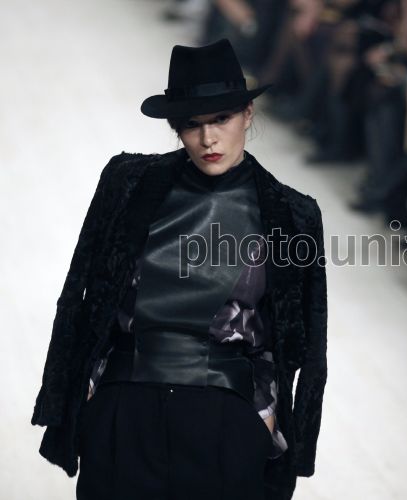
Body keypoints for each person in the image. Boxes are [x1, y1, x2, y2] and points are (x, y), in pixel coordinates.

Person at [30, 39, 328, 500]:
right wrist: (82, 396)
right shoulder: (128, 184)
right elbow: (80, 294)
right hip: (124, 406)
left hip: (226, 417)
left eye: (221, 119)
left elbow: (302, 339)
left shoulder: (291, 214)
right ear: (176, 127)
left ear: (248, 114)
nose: (208, 139)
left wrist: (267, 417)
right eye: (192, 123)